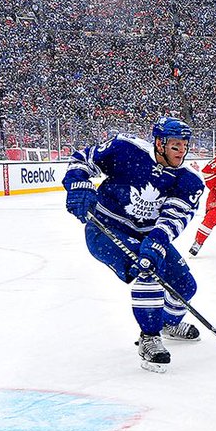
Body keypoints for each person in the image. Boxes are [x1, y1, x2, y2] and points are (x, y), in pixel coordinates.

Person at [61, 117, 205, 373]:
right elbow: (82, 160)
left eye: (184, 146)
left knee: (186, 286)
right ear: (159, 143)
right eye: (175, 146)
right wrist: (77, 185)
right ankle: (149, 337)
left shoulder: (189, 181)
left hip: (148, 235)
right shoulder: (125, 149)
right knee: (146, 269)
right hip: (106, 228)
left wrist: (157, 243)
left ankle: (168, 324)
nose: (181, 152)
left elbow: (173, 218)